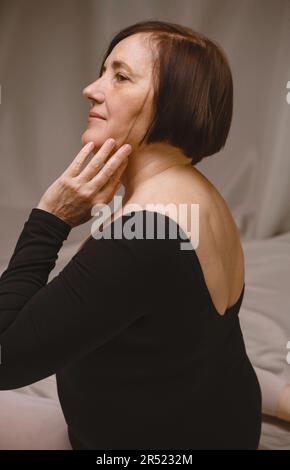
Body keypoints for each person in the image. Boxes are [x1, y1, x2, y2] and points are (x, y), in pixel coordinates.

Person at [0, 20, 262, 449]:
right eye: (103, 71)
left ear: (174, 103)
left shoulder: (145, 233)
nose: (91, 88)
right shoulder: (198, 192)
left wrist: (49, 220)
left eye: (120, 77)